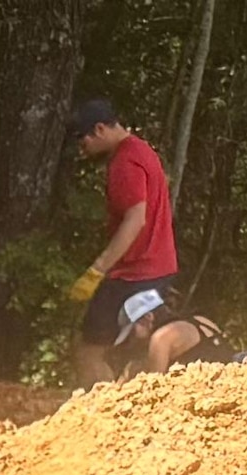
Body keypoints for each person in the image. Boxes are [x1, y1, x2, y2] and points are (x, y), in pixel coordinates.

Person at [67, 101, 215, 379]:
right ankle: (130, 407)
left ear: (99, 129)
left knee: (88, 350)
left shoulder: (124, 162)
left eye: (81, 138)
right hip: (158, 268)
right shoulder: (143, 151)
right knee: (136, 347)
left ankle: (101, 417)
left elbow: (136, 219)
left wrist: (97, 270)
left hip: (132, 273)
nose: (80, 147)